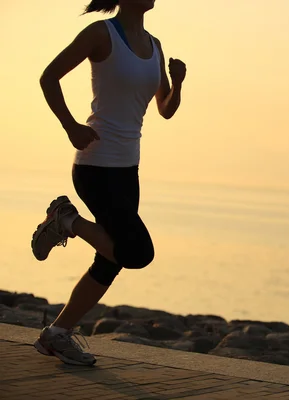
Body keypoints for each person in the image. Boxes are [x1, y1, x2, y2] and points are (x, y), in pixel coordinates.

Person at [31, 0, 186, 366]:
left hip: (128, 169)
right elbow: (48, 77)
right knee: (137, 253)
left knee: (111, 258)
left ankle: (57, 334)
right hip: (96, 165)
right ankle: (65, 220)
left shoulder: (154, 45)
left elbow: (165, 108)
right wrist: (70, 126)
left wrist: (177, 84)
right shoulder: (101, 34)